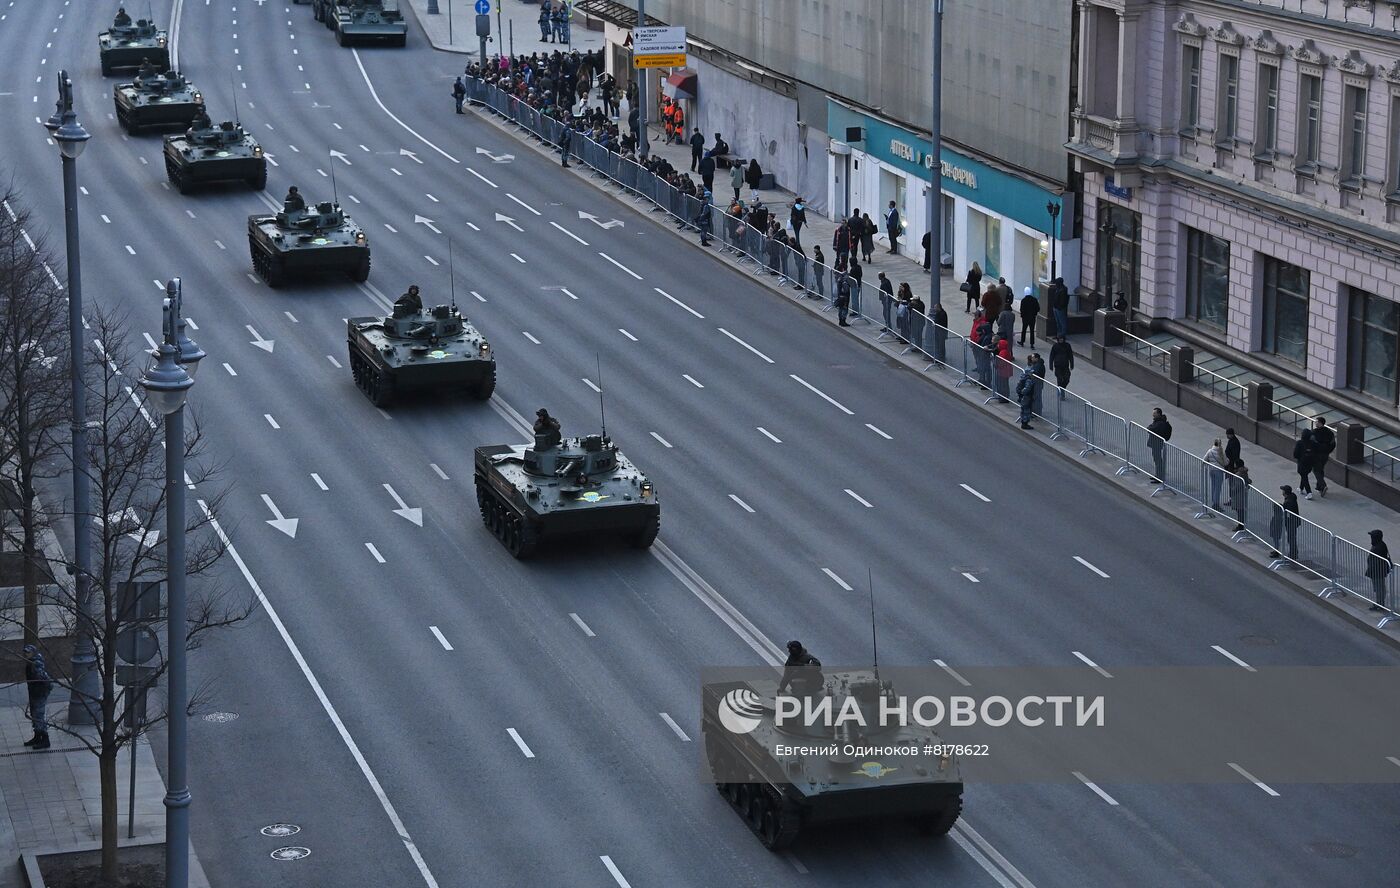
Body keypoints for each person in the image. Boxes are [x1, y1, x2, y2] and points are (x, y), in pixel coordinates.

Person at [22, 645, 51, 750]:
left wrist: (42, 689)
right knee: (34, 714)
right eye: (25, 652)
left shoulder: (36, 663)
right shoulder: (31, 662)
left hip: (39, 693)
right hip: (34, 692)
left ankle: (45, 739)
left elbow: (42, 678)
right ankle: (37, 737)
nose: (26, 654)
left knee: (38, 716)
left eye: (28, 652)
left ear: (33, 652)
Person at [1270, 486, 1301, 559]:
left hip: (1291, 522)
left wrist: (1281, 507)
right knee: (1291, 538)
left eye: (1283, 490)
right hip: (1292, 521)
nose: (1282, 492)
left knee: (1291, 538)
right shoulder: (1291, 497)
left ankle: (1293, 554)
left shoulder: (1289, 502)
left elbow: (1287, 513)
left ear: (1285, 492)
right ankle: (1293, 553)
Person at [1367, 529, 1392, 611]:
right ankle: (1379, 603)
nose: (1371, 538)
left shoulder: (1379, 547)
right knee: (1378, 587)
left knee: (1379, 588)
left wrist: (1371, 570)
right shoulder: (1379, 544)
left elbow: (1376, 561)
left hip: (1378, 572)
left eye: (1372, 536)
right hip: (1376, 571)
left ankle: (1380, 604)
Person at [1309, 417, 1335, 497]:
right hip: (1325, 455)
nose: (1315, 423)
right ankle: (1319, 487)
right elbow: (1333, 444)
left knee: (1316, 470)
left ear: (1320, 423)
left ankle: (1323, 485)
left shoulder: (1314, 432)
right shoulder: (1330, 432)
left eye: (1316, 421)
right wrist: (1327, 451)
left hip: (1316, 455)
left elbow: (1311, 443)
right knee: (1320, 469)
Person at [1147, 407, 1172, 483]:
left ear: (1158, 414)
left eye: (1154, 413)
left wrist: (1150, 428)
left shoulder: (1160, 423)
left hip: (1157, 444)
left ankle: (1159, 477)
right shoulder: (1158, 421)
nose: (1153, 414)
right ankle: (1158, 475)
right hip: (1156, 443)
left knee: (1158, 460)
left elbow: (1150, 428)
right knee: (1156, 459)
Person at [1293, 429, 1316, 499]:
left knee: (1304, 476)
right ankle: (1300, 488)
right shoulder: (1312, 443)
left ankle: (1309, 492)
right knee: (1304, 475)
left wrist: (1298, 457)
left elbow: (1295, 453)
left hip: (1302, 462)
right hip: (1310, 462)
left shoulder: (1300, 443)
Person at [1016, 357, 1039, 429]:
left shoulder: (1023, 377)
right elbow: (1027, 388)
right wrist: (1024, 394)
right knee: (1026, 409)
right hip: (1026, 396)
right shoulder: (1029, 380)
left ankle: (1024, 422)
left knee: (1024, 409)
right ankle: (1025, 423)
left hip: (1023, 396)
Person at [1204, 439, 1226, 510]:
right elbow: (1226, 462)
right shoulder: (1221, 452)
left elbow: (1204, 459)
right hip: (1218, 471)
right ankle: (1216, 504)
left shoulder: (1210, 451)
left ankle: (1214, 502)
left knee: (1213, 486)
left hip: (1211, 470)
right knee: (1218, 488)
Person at [1230, 462, 1252, 532]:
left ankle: (1240, 526)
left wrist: (1232, 491)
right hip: (1243, 494)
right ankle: (1241, 525)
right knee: (1241, 511)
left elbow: (1237, 486)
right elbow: (1248, 481)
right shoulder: (1244, 472)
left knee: (1239, 511)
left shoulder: (1238, 474)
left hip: (1238, 495)